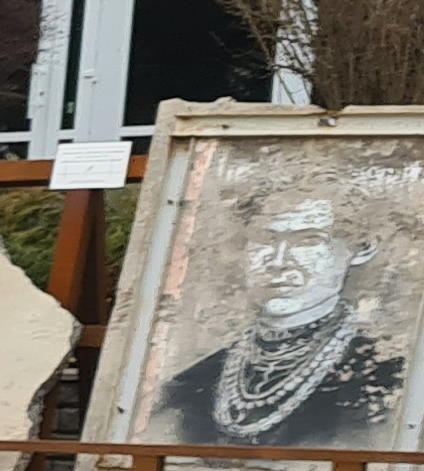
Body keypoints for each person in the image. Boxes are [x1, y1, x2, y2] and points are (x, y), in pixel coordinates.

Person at [150, 187, 408, 450]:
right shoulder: (189, 385)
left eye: (308, 240)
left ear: (362, 248)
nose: (279, 260)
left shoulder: (387, 381)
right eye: (264, 239)